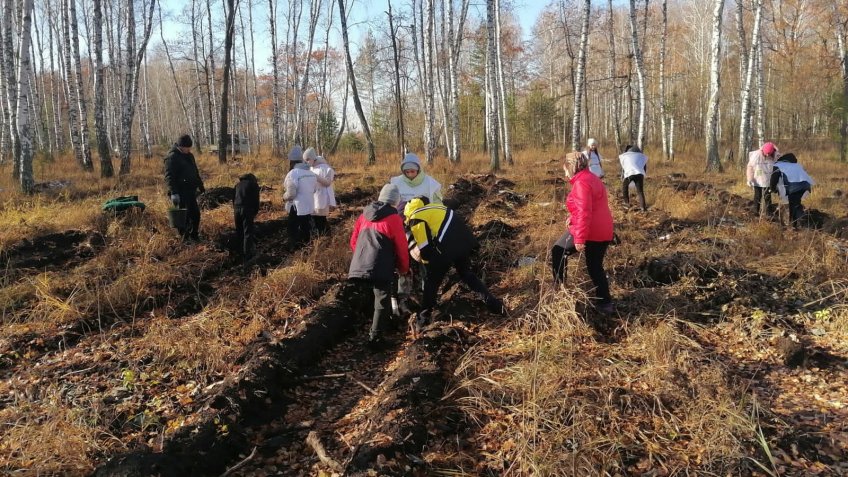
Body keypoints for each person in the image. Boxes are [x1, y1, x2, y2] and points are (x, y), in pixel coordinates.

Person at [404, 196, 506, 333]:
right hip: (465, 242)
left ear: (407, 212)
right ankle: (496, 305)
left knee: (431, 281)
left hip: (447, 247)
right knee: (467, 275)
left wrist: (427, 263)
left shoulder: (416, 217)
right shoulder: (437, 207)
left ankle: (423, 319)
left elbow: (425, 247)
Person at [551, 151, 615, 314]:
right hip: (603, 230)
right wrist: (572, 217)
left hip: (590, 231)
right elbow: (589, 206)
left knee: (558, 251)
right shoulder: (591, 178)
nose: (565, 173)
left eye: (565, 169)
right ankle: (605, 304)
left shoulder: (581, 183)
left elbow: (585, 212)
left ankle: (560, 292)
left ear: (571, 167)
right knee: (595, 267)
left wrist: (580, 238)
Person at [349, 184, 410, 347]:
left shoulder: (364, 215)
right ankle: (375, 339)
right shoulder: (394, 218)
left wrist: (362, 259)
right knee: (382, 298)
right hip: (380, 264)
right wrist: (403, 267)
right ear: (395, 202)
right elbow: (402, 246)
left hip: (359, 263)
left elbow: (353, 241)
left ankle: (380, 325)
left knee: (374, 296)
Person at [164, 134, 205, 242]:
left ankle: (194, 235)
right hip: (180, 192)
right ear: (181, 146)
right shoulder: (172, 157)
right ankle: (184, 239)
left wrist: (200, 185)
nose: (189, 150)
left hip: (190, 191)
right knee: (183, 218)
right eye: (187, 148)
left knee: (195, 215)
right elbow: (169, 177)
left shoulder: (190, 156)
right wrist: (173, 192)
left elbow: (195, 171)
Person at [282, 148, 317, 245]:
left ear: (291, 161)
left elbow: (291, 193)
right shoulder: (311, 173)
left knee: (292, 229)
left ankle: (293, 250)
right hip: (309, 205)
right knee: (306, 228)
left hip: (297, 207)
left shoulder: (293, 173)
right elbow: (313, 190)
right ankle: (306, 249)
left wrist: (284, 197)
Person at [769, 153, 814, 228]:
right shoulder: (797, 165)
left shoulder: (779, 165)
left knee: (794, 205)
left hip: (793, 188)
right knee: (795, 204)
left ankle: (800, 224)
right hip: (805, 185)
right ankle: (794, 223)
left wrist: (772, 189)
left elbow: (774, 178)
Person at [305, 148, 336, 234]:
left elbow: (327, 183)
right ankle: (321, 238)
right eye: (305, 160)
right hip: (313, 198)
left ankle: (326, 238)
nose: (306, 162)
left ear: (312, 158)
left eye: (308, 159)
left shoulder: (326, 168)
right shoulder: (310, 168)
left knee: (321, 219)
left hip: (322, 198)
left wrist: (315, 176)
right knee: (315, 220)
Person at [746, 142, 778, 218]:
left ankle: (769, 213)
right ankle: (755, 212)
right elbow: (750, 167)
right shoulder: (756, 155)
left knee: (767, 196)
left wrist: (777, 181)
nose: (767, 155)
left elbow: (779, 168)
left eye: (769, 154)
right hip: (758, 178)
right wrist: (749, 179)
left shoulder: (776, 155)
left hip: (768, 180)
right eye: (766, 153)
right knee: (757, 195)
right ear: (763, 151)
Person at [233, 173, 260, 261]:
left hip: (236, 209)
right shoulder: (253, 185)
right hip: (247, 209)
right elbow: (256, 199)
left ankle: (238, 252)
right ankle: (247, 255)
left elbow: (233, 199)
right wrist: (255, 211)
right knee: (248, 232)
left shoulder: (237, 185)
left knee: (239, 231)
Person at [618, 145, 648, 211]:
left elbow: (624, 167)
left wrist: (622, 176)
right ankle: (643, 207)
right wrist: (643, 175)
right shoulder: (641, 157)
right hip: (639, 174)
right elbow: (644, 167)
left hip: (629, 174)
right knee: (640, 191)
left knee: (624, 188)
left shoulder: (626, 157)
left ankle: (627, 204)